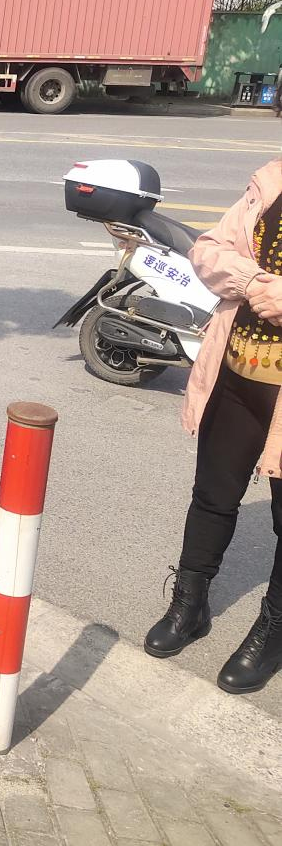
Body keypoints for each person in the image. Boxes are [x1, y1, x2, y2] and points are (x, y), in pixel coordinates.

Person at [145, 157, 282, 693]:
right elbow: (207, 250)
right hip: (235, 373)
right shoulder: (272, 182)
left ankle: (274, 630)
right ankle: (190, 605)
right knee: (212, 497)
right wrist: (254, 281)